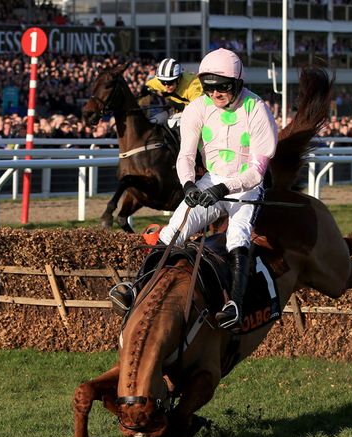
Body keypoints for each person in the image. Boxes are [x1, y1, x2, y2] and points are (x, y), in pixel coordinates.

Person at [112, 49, 278, 331]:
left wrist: (224, 188)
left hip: (246, 187)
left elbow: (257, 172)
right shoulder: (198, 108)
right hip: (211, 179)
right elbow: (186, 156)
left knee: (237, 235)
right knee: (172, 230)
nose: (216, 93)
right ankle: (135, 287)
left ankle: (235, 305)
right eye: (210, 86)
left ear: (238, 82)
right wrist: (189, 184)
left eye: (223, 86)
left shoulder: (257, 109)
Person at [143, 58, 203, 127]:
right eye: (163, 82)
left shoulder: (192, 86)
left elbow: (198, 111)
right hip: (173, 111)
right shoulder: (159, 82)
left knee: (173, 123)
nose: (166, 86)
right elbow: (147, 86)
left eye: (170, 82)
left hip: (195, 113)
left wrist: (181, 107)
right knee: (152, 122)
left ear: (178, 79)